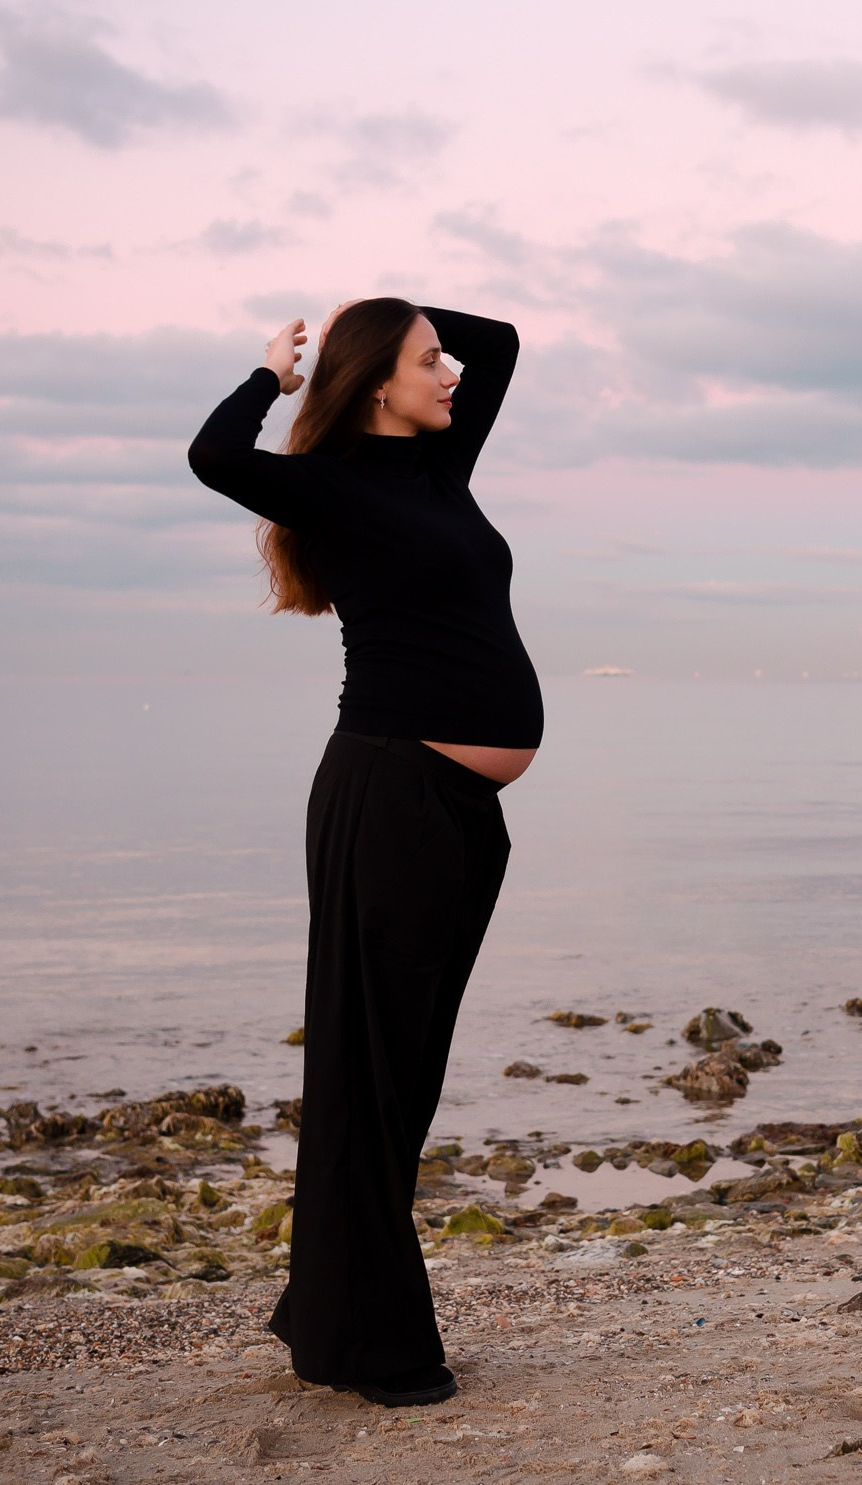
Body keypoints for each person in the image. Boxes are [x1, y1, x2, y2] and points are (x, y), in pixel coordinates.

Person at [187, 298, 542, 1406]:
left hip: (457, 809)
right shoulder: (333, 485)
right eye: (427, 360)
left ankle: (327, 1305)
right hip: (389, 795)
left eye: (440, 358)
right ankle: (370, 1343)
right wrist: (275, 374)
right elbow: (213, 456)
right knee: (369, 1072)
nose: (450, 372)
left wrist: (386, 307)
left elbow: (501, 344)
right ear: (379, 381)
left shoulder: (439, 469)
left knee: (407, 1069)